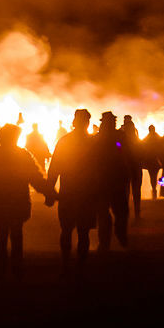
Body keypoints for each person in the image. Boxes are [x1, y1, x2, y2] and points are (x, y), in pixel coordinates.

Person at [0, 123, 56, 280]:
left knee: (1, 234)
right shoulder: (22, 154)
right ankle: (17, 268)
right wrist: (49, 193)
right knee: (17, 234)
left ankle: (1, 267)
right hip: (18, 202)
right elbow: (35, 177)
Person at [45, 109, 98, 272]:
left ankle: (66, 263)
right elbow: (102, 169)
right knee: (83, 232)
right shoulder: (94, 143)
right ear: (88, 122)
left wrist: (50, 192)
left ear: (75, 122)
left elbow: (54, 168)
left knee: (67, 230)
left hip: (68, 193)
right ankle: (81, 265)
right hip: (87, 194)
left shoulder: (64, 141)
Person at [94, 112, 131, 250]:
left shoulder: (98, 138)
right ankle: (116, 236)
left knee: (106, 212)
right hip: (114, 180)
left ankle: (106, 242)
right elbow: (127, 154)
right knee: (117, 211)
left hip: (107, 180)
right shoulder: (119, 137)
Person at [139, 124, 164, 200]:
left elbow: (142, 146)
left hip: (150, 161)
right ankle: (159, 189)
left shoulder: (147, 138)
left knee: (153, 176)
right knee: (160, 176)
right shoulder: (158, 138)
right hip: (157, 161)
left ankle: (155, 190)